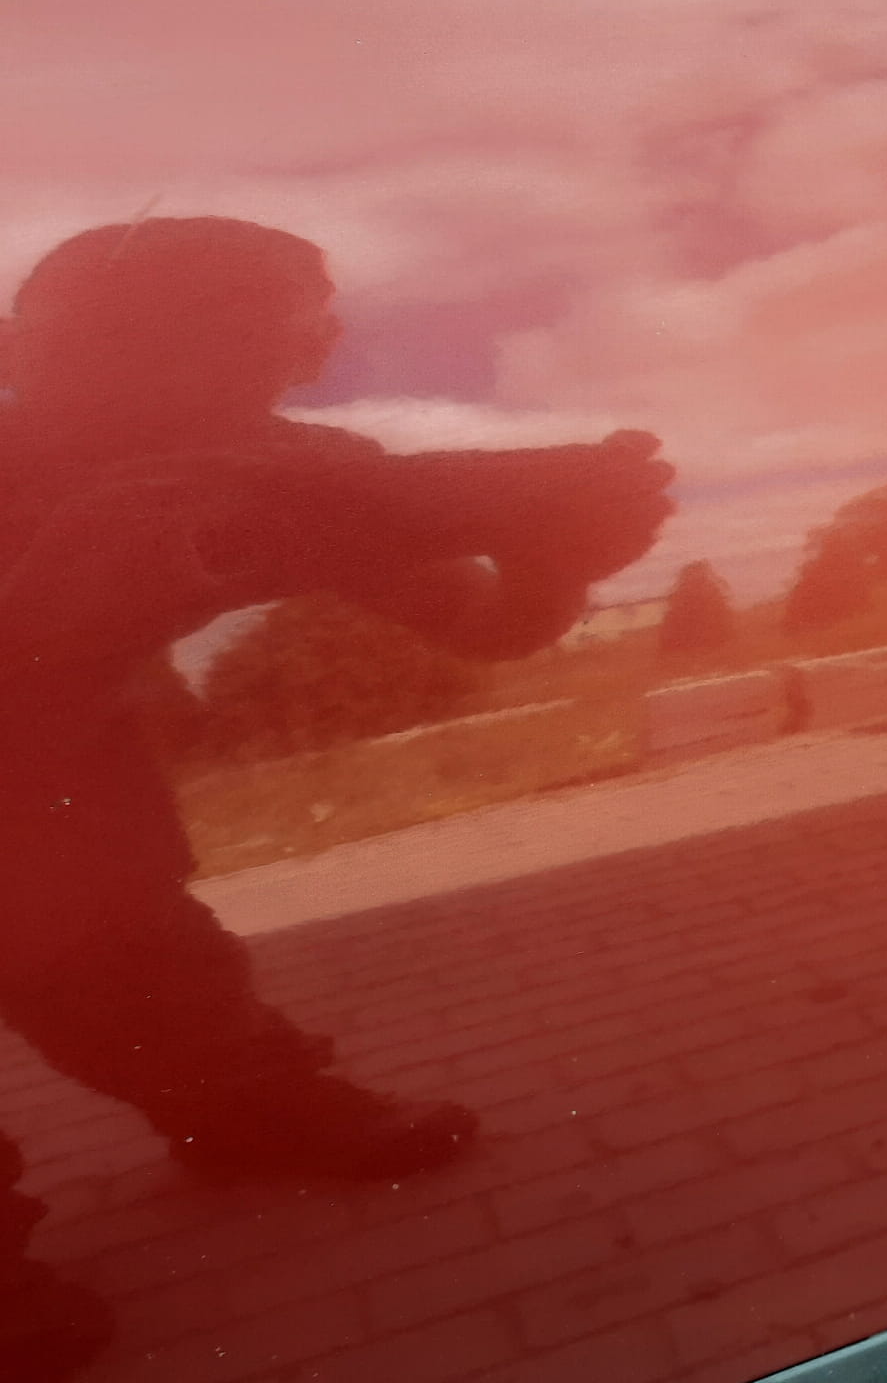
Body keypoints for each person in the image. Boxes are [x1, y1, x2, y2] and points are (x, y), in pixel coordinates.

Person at [0, 217, 673, 1377]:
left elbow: (486, 625)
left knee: (132, 958)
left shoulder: (287, 475)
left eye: (292, 342)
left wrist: (558, 554)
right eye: (264, 337)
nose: (307, 361)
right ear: (39, 352)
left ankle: (246, 1108)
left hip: (59, 780)